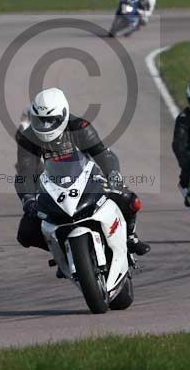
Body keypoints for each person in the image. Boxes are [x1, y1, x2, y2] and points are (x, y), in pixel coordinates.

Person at [14, 88, 151, 256]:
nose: (45, 126)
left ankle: (130, 237)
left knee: (129, 199)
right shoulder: (27, 138)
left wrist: (113, 173)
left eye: (50, 120)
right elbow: (24, 173)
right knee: (25, 234)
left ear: (63, 115)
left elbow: (102, 154)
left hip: (87, 178)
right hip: (52, 188)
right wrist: (27, 198)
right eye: (40, 120)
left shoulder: (79, 126)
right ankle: (61, 250)